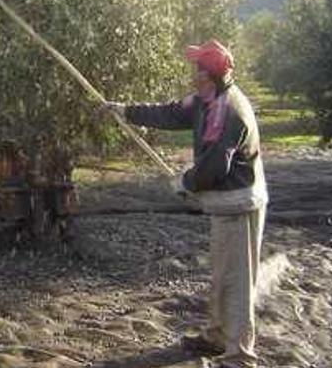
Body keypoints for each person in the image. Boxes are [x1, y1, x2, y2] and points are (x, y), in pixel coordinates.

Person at [104, 40, 268, 368]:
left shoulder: (227, 110)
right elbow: (171, 112)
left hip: (240, 207)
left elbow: (214, 168)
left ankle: (240, 357)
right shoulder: (207, 100)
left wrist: (186, 183)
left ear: (209, 75)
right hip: (226, 206)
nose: (193, 74)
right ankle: (217, 337)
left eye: (198, 69)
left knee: (237, 283)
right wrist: (125, 110)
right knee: (223, 277)